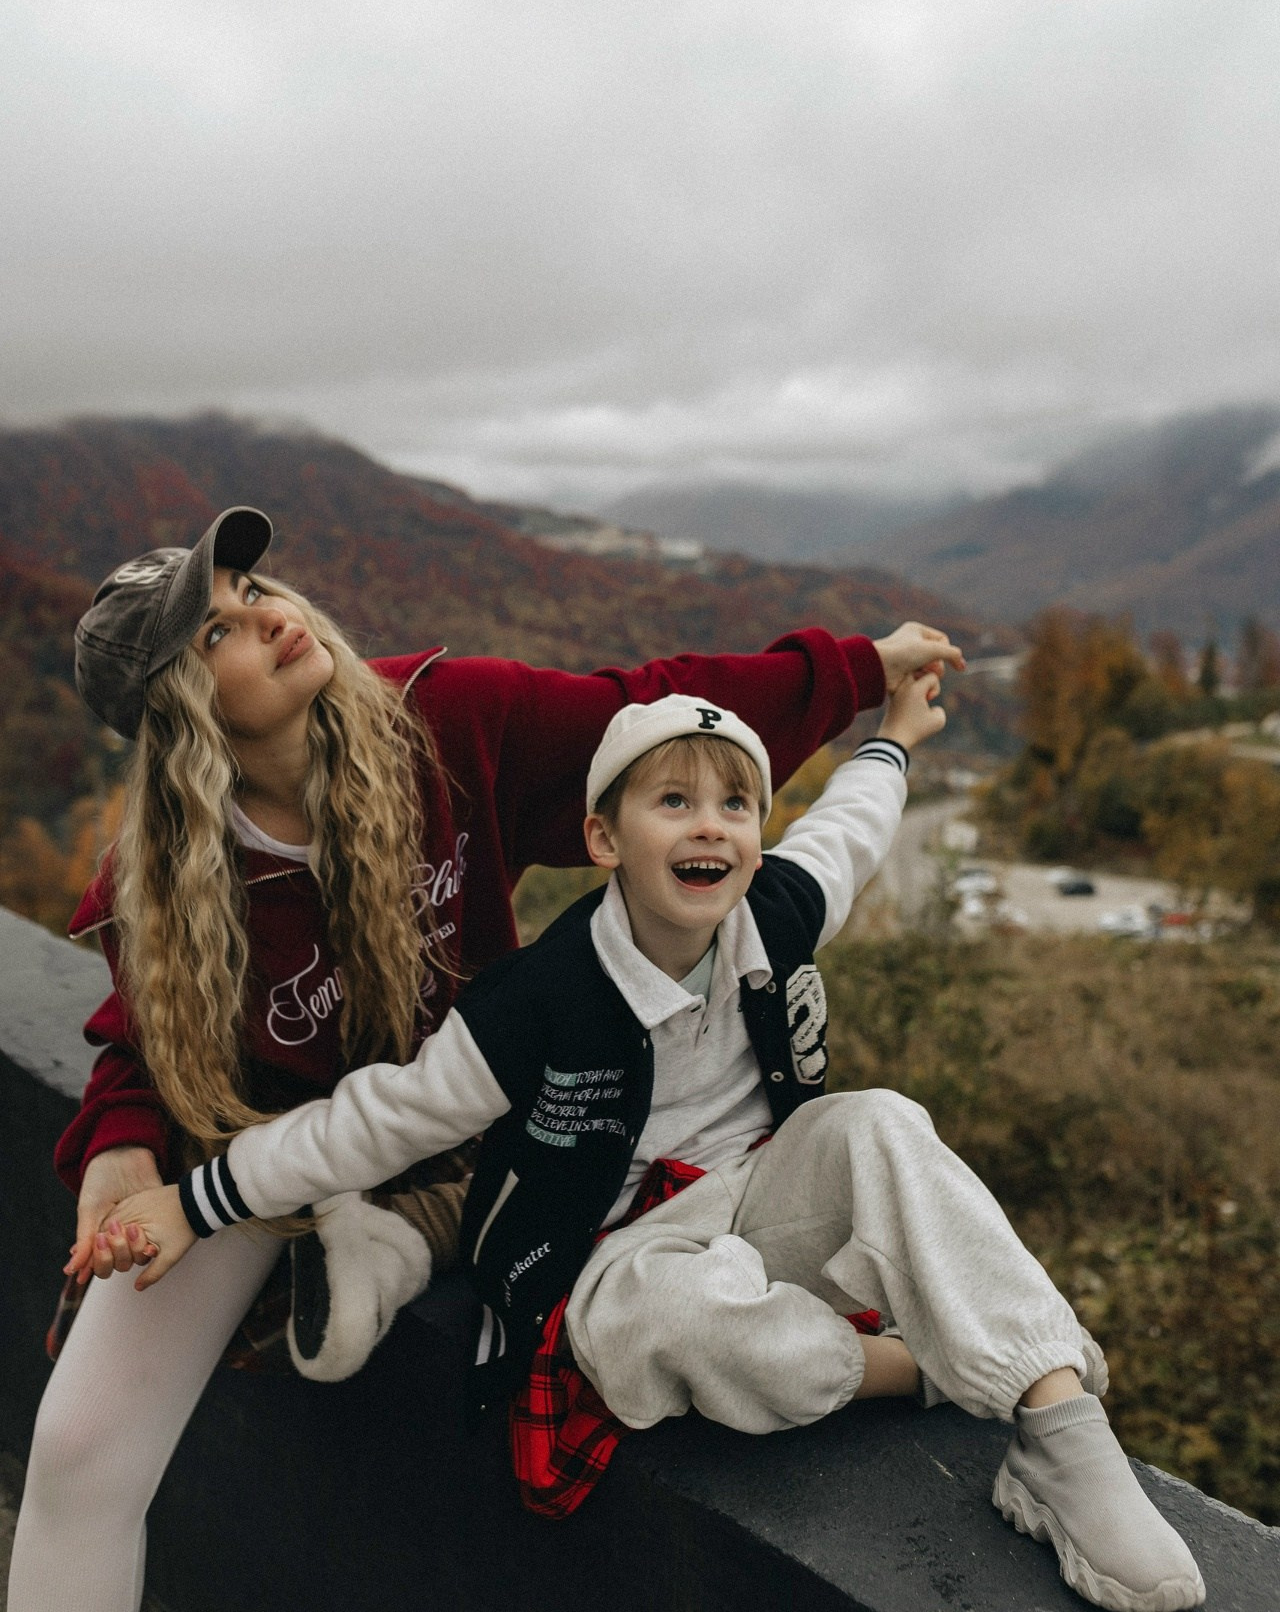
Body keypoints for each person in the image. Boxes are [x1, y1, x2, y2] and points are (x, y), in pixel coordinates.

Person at [9, 502, 960, 1612]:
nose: (267, 617)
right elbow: (140, 1029)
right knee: (78, 1452)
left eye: (255, 591)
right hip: (258, 1158)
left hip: (453, 1129)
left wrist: (854, 673)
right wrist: (120, 1156)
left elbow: (642, 708)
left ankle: (387, 1239)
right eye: (216, 631)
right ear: (177, 712)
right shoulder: (162, 872)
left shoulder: (441, 722)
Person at [110, 685, 1204, 1612]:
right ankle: (913, 1366)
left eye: (734, 804)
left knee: (879, 1121)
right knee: (658, 1331)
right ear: (603, 838)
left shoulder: (775, 909)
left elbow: (853, 828)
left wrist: (895, 737)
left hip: (767, 1193)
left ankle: (1059, 1430)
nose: (710, 828)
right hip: (621, 1249)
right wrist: (193, 1205)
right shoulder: (541, 1000)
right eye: (671, 801)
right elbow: (375, 1118)